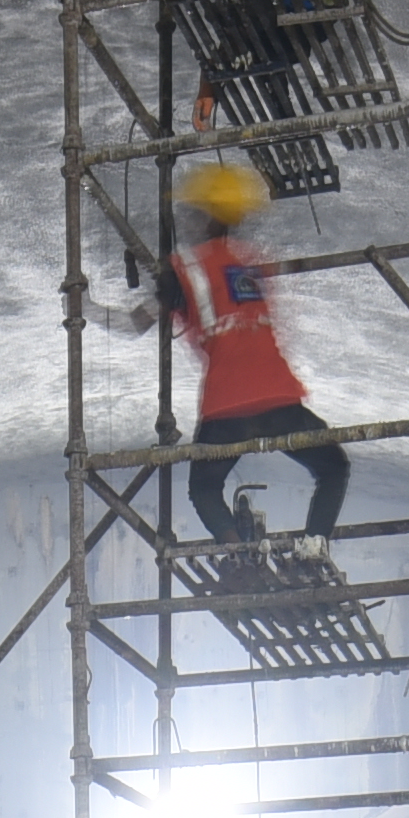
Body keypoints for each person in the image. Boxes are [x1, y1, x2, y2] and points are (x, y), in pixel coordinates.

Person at [155, 156, 346, 549]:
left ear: (205, 217)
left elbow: (140, 321)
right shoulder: (250, 261)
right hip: (278, 398)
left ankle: (239, 552)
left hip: (225, 408)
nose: (186, 219)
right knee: (334, 468)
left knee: (205, 490)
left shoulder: (182, 269)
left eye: (191, 213)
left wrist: (86, 308)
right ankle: (314, 545)